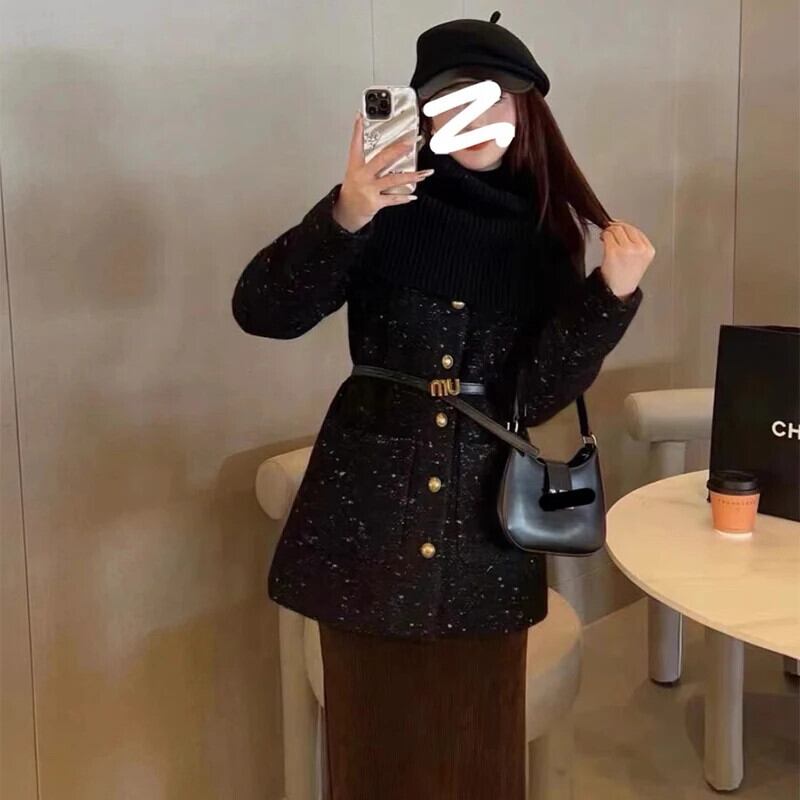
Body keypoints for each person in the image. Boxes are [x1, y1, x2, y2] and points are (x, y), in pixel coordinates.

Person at [232, 11, 654, 799]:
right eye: (452, 98)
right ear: (423, 113)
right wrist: (345, 215)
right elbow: (262, 311)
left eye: (492, 98)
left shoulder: (545, 235)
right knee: (372, 757)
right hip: (366, 529)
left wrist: (609, 297)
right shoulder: (379, 208)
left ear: (524, 110)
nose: (474, 116)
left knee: (478, 757)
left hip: (486, 538)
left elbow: (536, 396)